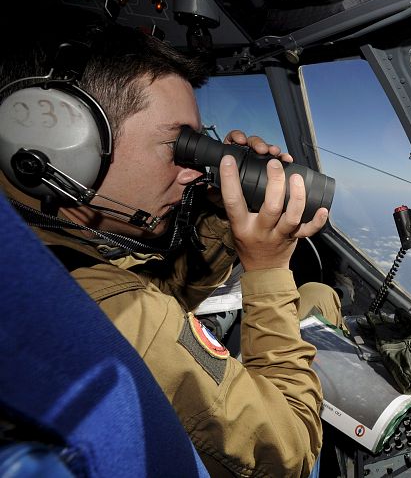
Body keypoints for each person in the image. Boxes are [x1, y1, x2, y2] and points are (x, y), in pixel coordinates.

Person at [0, 25, 341, 477]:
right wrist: (269, 269)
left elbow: (160, 291)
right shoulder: (114, 306)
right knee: (317, 298)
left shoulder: (42, 244)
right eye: (178, 145)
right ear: (62, 147)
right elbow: (289, 452)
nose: (193, 173)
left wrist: (223, 215)